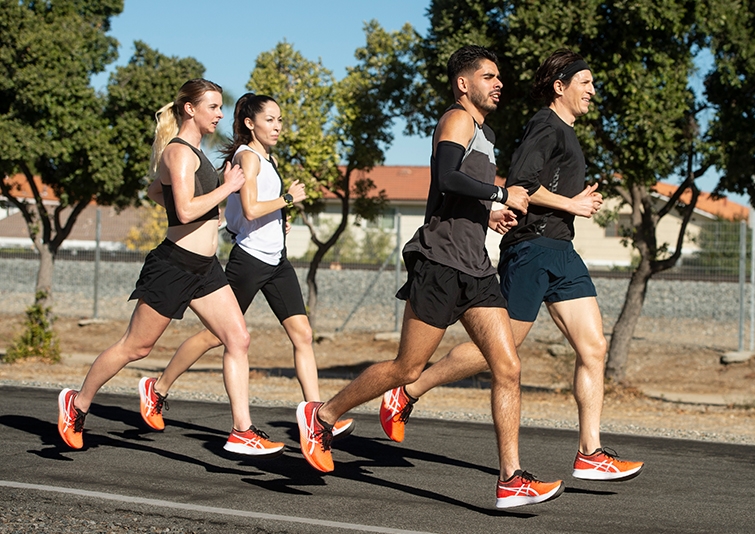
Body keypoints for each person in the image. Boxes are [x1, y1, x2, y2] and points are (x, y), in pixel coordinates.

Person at [295, 45, 565, 510]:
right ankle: (322, 416)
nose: (499, 83)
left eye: (499, 77)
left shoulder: (486, 132)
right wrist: (502, 190)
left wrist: (491, 212)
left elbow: (466, 192)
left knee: (508, 367)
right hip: (439, 261)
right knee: (407, 368)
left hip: (475, 264)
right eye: (488, 76)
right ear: (464, 83)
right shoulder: (456, 119)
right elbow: (446, 177)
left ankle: (510, 478)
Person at [379, 49, 644, 482]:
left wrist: (569, 208)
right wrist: (571, 204)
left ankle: (590, 452)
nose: (593, 91)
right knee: (503, 351)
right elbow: (521, 184)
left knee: (594, 347)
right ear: (560, 87)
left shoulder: (569, 133)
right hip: (533, 249)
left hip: (562, 249)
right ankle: (408, 391)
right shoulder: (546, 124)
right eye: (586, 83)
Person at [57, 79, 283, 456]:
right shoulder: (179, 153)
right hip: (174, 266)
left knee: (238, 339)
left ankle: (242, 430)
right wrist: (227, 188)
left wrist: (211, 197)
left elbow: (156, 190)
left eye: (220, 107)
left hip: (205, 268)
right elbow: (184, 210)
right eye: (212, 106)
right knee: (136, 347)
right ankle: (77, 404)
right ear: (190, 109)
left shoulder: (194, 152)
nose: (220, 114)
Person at [137, 93, 353, 447]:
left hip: (276, 260)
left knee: (303, 335)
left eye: (280, 120)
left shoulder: (268, 158)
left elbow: (246, 213)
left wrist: (279, 220)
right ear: (250, 123)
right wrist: (288, 201)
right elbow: (250, 208)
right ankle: (157, 387)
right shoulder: (247, 158)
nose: (278, 126)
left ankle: (317, 414)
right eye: (270, 119)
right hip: (250, 261)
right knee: (215, 336)